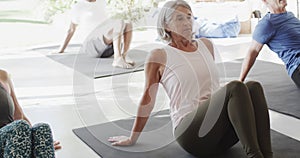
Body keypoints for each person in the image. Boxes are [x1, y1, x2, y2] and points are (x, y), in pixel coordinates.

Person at [108, 1, 273, 158]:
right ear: (166, 25)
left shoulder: (206, 45)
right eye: (179, 18)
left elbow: (209, 88)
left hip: (219, 134)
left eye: (189, 17)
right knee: (236, 87)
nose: (187, 22)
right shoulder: (159, 55)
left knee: (253, 86)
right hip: (192, 135)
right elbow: (147, 100)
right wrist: (132, 137)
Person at [0, 70, 61, 157]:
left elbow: (19, 116)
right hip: (9, 136)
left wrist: (38, 142)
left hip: (10, 140)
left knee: (42, 129)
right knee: (19, 127)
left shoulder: (3, 76)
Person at [239, 0, 300, 87]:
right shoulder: (267, 23)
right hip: (297, 66)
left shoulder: (290, 15)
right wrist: (240, 81)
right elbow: (252, 52)